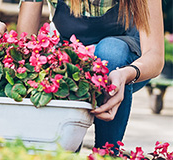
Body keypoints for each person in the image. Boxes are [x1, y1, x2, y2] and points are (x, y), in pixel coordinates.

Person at [17, 0, 164, 151]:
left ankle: (107, 152)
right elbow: (24, 46)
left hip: (123, 62)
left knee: (110, 52)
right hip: (74, 55)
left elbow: (155, 57)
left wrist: (125, 74)